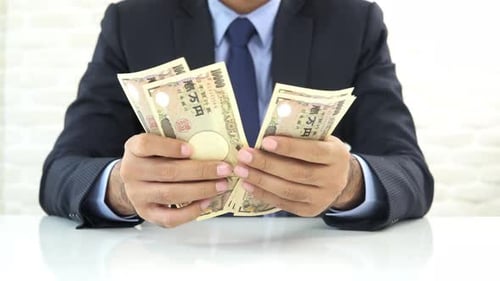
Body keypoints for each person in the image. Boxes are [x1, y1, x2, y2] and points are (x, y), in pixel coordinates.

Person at [39, 0, 434, 231]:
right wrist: (122, 190)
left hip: (313, 261)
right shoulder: (134, 20)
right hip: (170, 261)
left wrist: (348, 183)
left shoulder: (352, 21)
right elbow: (62, 173)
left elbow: (410, 175)